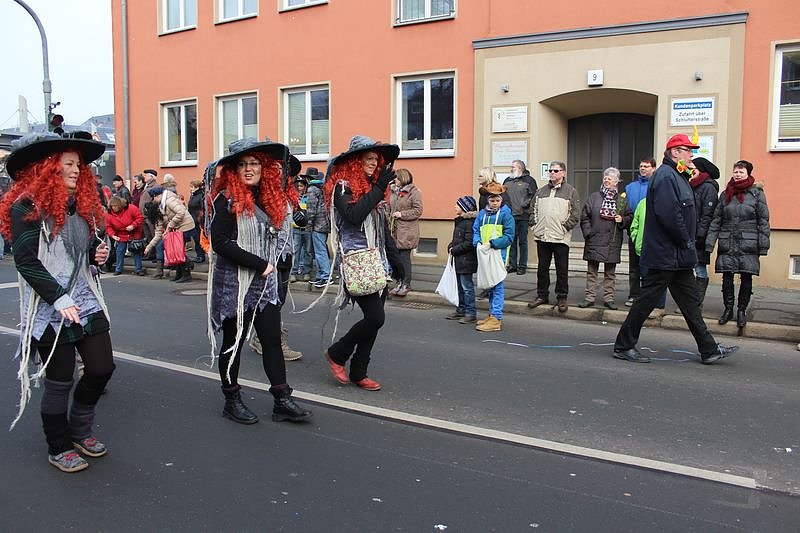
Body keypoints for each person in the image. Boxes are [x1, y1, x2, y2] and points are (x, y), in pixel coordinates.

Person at [0, 131, 114, 473]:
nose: (77, 170)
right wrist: (59, 296)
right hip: (48, 304)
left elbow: (86, 248)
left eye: (78, 165)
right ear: (49, 168)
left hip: (84, 298)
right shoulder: (26, 207)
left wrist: (98, 253)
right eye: (69, 164)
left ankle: (80, 430)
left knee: (101, 368)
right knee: (60, 379)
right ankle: (59, 444)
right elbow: (26, 261)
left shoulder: (81, 206)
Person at [207, 137, 312, 424]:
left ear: (263, 167)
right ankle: (231, 399)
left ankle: (281, 398)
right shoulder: (226, 198)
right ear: (233, 170)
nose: (250, 169)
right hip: (235, 284)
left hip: (264, 285)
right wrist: (259, 263)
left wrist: (276, 258)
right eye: (243, 164)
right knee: (234, 342)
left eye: (254, 163)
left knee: (271, 340)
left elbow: (277, 234)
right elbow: (219, 242)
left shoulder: (268, 197)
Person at [613, 133, 738, 364]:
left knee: (690, 303)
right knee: (646, 301)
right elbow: (669, 215)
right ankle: (623, 346)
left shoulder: (677, 175)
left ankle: (708, 349)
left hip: (677, 256)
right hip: (665, 254)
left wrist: (685, 246)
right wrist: (686, 242)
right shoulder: (666, 176)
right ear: (675, 152)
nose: (692, 155)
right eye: (687, 150)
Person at [322, 135, 404, 391]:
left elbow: (381, 229)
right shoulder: (342, 187)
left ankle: (359, 371)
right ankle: (337, 353)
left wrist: (397, 260)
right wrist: (378, 188)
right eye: (367, 158)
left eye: (375, 159)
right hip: (356, 262)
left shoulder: (373, 189)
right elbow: (354, 216)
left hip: (377, 261)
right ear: (356, 161)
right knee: (375, 318)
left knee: (375, 320)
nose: (372, 163)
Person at [705, 160, 770, 328]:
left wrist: (763, 245)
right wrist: (709, 244)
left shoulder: (756, 193)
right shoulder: (726, 194)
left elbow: (763, 221)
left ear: (748, 174)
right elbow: (716, 220)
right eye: (736, 171)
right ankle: (728, 309)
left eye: (741, 172)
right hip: (728, 239)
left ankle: (741, 310)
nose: (738, 174)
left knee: (746, 276)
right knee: (727, 277)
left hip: (748, 241)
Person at [528, 160, 580, 313]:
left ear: (563, 173)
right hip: (543, 236)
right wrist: (535, 226)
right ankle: (542, 295)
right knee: (542, 268)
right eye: (550, 170)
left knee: (561, 269)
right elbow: (533, 210)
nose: (552, 173)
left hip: (560, 237)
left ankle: (562, 297)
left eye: (556, 171)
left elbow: (575, 213)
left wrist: (565, 227)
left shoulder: (571, 191)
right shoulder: (541, 191)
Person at [578, 167, 632, 310]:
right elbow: (584, 217)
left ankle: (609, 299)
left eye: (610, 178)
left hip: (611, 241)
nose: (607, 180)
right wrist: (588, 233)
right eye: (605, 178)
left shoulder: (622, 200)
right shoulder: (594, 197)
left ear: (616, 182)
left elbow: (630, 217)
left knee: (610, 273)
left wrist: (623, 220)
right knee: (591, 272)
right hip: (594, 239)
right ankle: (589, 298)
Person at [473, 182, 515, 332]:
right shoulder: (482, 215)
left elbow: (509, 237)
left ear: (501, 200)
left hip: (499, 255)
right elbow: (476, 230)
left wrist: (492, 243)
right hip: (485, 253)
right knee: (490, 285)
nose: (495, 203)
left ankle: (496, 318)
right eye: (492, 200)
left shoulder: (506, 215)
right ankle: (492, 315)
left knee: (497, 285)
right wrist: (477, 242)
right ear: (487, 201)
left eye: (497, 200)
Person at [142, 185, 196, 283]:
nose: (153, 200)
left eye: (153, 197)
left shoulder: (169, 201)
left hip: (186, 226)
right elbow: (158, 234)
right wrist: (148, 247)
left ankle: (186, 274)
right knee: (177, 251)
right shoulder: (160, 209)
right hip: (178, 228)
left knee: (178, 251)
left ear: (157, 196)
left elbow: (181, 212)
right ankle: (179, 274)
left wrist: (170, 225)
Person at [628, 189, 668, 319]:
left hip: (658, 250)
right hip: (643, 249)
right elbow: (635, 225)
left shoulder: (666, 205)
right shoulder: (642, 203)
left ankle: (659, 306)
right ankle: (646, 306)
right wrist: (636, 239)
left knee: (659, 279)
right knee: (645, 279)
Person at [624, 157, 656, 306]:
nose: (643, 168)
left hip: (651, 233)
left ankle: (647, 295)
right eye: (641, 166)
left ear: (653, 168)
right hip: (634, 231)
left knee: (649, 267)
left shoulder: (656, 186)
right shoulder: (630, 187)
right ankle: (634, 295)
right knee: (634, 267)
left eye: (646, 166)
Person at [388, 168, 423, 297]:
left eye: (396, 178)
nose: (394, 181)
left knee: (404, 258)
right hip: (395, 229)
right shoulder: (394, 192)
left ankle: (406, 283)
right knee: (396, 258)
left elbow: (418, 210)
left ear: (402, 178)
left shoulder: (413, 192)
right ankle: (399, 281)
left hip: (407, 230)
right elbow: (389, 207)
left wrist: (402, 214)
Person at [445, 195, 478, 323]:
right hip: (459, 260)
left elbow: (469, 243)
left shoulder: (469, 223)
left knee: (466, 287)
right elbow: (457, 240)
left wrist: (455, 249)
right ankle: (461, 309)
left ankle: (471, 312)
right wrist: (451, 246)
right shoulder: (460, 221)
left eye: (457, 205)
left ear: (464, 208)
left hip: (466, 260)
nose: (454, 206)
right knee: (459, 286)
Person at [504, 159, 537, 275]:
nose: (511, 169)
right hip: (509, 216)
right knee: (511, 241)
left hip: (523, 215)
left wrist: (526, 204)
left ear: (520, 168)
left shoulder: (529, 180)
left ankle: (522, 266)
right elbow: (503, 196)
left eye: (513, 167)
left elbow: (534, 196)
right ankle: (512, 265)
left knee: (522, 241)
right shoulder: (507, 180)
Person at [304, 167, 332, 288]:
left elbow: (311, 210)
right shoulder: (322, 188)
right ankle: (321, 275)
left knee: (320, 251)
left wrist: (308, 225)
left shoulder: (311, 190)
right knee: (321, 250)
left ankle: (325, 276)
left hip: (318, 225)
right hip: (325, 223)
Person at [105, 196, 145, 276]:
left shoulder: (131, 208)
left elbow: (140, 218)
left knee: (136, 251)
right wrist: (112, 235)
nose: (114, 208)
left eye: (116, 206)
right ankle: (118, 269)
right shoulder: (109, 214)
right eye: (112, 206)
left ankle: (139, 269)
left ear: (120, 205)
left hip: (133, 232)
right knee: (120, 251)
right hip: (121, 234)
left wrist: (133, 225)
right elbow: (108, 226)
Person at [289, 175, 313, 282]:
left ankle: (306, 272)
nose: (299, 188)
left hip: (307, 228)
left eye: (301, 186)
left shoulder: (308, 197)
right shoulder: (294, 198)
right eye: (298, 186)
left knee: (308, 251)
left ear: (305, 187)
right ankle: (293, 272)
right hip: (296, 228)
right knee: (296, 251)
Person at [186, 179, 206, 263]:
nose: (190, 188)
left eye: (192, 187)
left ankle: (201, 256)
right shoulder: (193, 195)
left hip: (198, 221)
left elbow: (202, 208)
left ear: (197, 187)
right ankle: (199, 255)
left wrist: (199, 218)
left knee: (199, 239)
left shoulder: (201, 196)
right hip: (193, 220)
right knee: (196, 238)